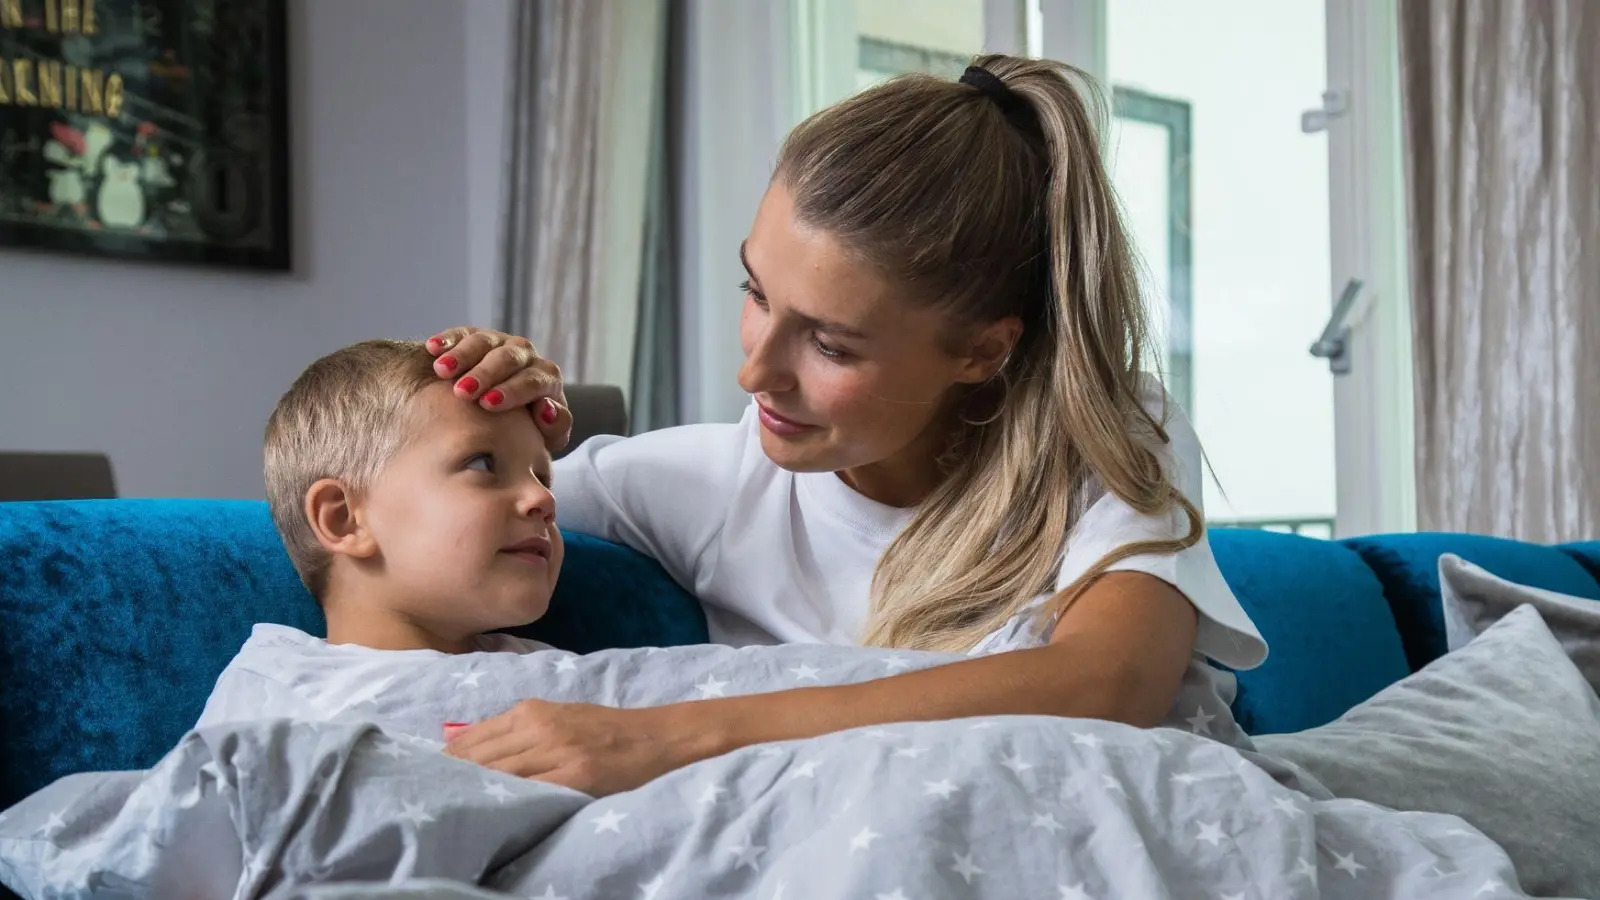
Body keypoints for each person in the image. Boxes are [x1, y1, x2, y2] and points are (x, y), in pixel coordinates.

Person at [431, 55, 1269, 797]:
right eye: (755, 294)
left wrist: (671, 734)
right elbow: (398, 511)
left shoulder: (1111, 435)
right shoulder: (701, 486)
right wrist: (482, 415)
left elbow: (1108, 683)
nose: (753, 373)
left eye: (830, 343)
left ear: (981, 351)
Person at [197, 340, 564, 732]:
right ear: (344, 519)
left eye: (543, 477)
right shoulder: (274, 690)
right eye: (481, 463)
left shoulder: (563, 679)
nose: (544, 498)